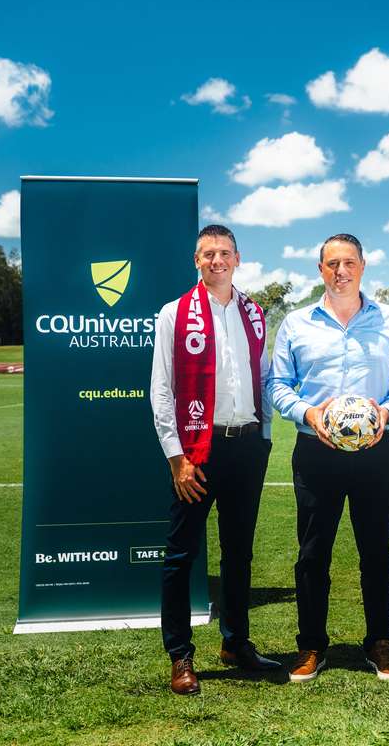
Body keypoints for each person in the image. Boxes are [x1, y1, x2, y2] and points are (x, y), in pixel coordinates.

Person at [268, 233, 389, 683]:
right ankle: (311, 645)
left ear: (363, 266)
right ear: (320, 269)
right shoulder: (296, 323)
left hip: (375, 452)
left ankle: (380, 644)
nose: (341, 271)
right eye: (332, 263)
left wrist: (384, 414)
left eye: (349, 262)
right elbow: (277, 385)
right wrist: (309, 413)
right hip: (316, 451)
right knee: (312, 554)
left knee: (376, 553)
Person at [150, 224, 280, 696]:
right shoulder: (174, 314)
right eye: (208, 254)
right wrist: (176, 457)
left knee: (239, 553)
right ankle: (181, 656)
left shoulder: (254, 313)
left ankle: (236, 643)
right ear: (196, 260)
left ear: (238, 258)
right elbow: (162, 390)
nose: (217, 261)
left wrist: (263, 439)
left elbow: (263, 378)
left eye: (225, 253)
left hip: (246, 446)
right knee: (181, 555)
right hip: (197, 452)